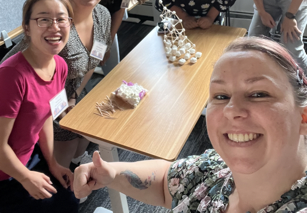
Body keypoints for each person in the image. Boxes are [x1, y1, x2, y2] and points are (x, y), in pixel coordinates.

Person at [73, 36, 307, 212]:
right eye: (221, 96)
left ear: (303, 117)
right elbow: (170, 180)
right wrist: (111, 173)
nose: (232, 110)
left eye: (258, 94)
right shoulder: (216, 168)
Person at [1, 0, 112, 169]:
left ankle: (77, 163)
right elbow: (9, 64)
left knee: (87, 131)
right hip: (46, 101)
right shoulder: (55, 28)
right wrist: (61, 105)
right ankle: (63, 181)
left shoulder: (102, 15)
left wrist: (75, 96)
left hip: (74, 92)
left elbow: (91, 62)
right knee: (67, 142)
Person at [0, 0, 79, 213]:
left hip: (28, 155)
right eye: (44, 19)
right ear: (27, 28)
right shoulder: (11, 75)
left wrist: (52, 163)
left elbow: (45, 116)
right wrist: (25, 177)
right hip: (4, 171)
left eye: (61, 19)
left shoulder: (60, 65)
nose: (54, 27)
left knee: (70, 200)